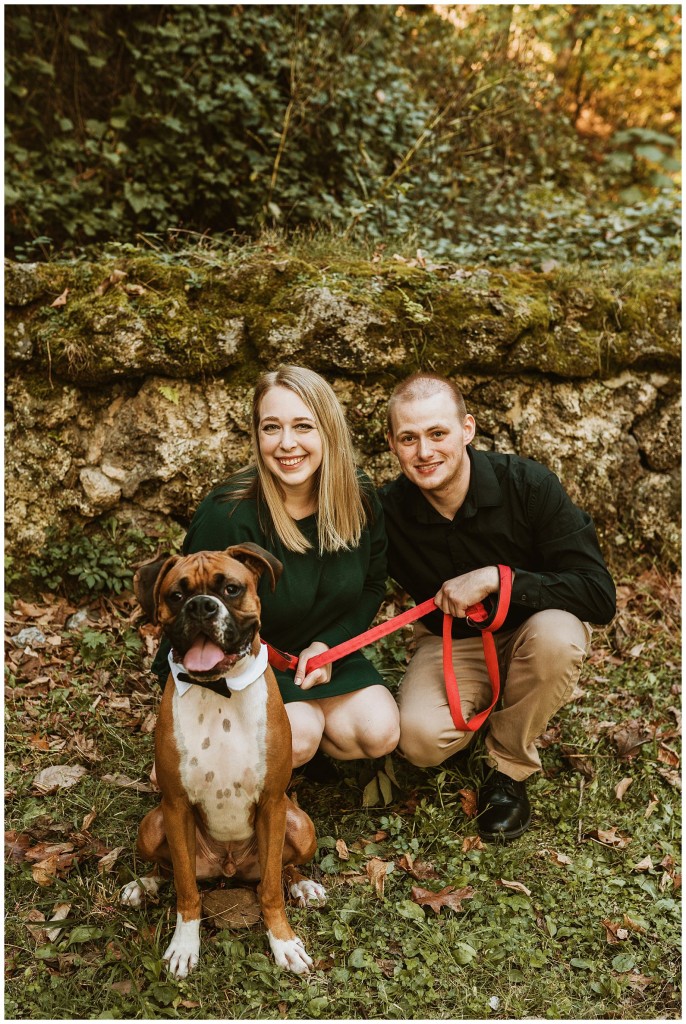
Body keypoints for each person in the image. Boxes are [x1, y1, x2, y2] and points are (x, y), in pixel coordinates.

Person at [378, 372, 615, 840]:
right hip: (455, 642)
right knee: (421, 742)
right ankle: (493, 704)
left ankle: (507, 767)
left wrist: (495, 579)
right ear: (392, 444)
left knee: (558, 638)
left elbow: (597, 593)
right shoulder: (385, 511)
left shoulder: (528, 484)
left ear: (467, 429)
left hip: (534, 632)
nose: (424, 452)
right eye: (409, 438)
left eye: (437, 433)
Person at [152, 364, 400, 770]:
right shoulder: (228, 513)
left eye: (303, 426)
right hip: (239, 659)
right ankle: (275, 747)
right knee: (298, 733)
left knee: (378, 731)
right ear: (257, 434)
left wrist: (328, 646)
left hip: (322, 655)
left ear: (328, 430)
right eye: (271, 428)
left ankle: (295, 745)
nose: (287, 444)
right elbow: (189, 612)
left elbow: (373, 584)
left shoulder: (358, 495)